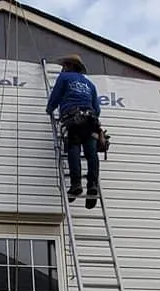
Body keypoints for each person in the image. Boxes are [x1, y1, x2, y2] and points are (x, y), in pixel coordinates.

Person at [45, 54, 101, 209]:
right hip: (91, 120)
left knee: (73, 147)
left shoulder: (64, 78)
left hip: (73, 119)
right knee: (91, 153)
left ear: (69, 66)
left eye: (64, 65)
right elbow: (97, 109)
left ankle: (76, 184)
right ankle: (92, 185)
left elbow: (55, 97)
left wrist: (49, 110)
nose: (62, 68)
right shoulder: (90, 84)